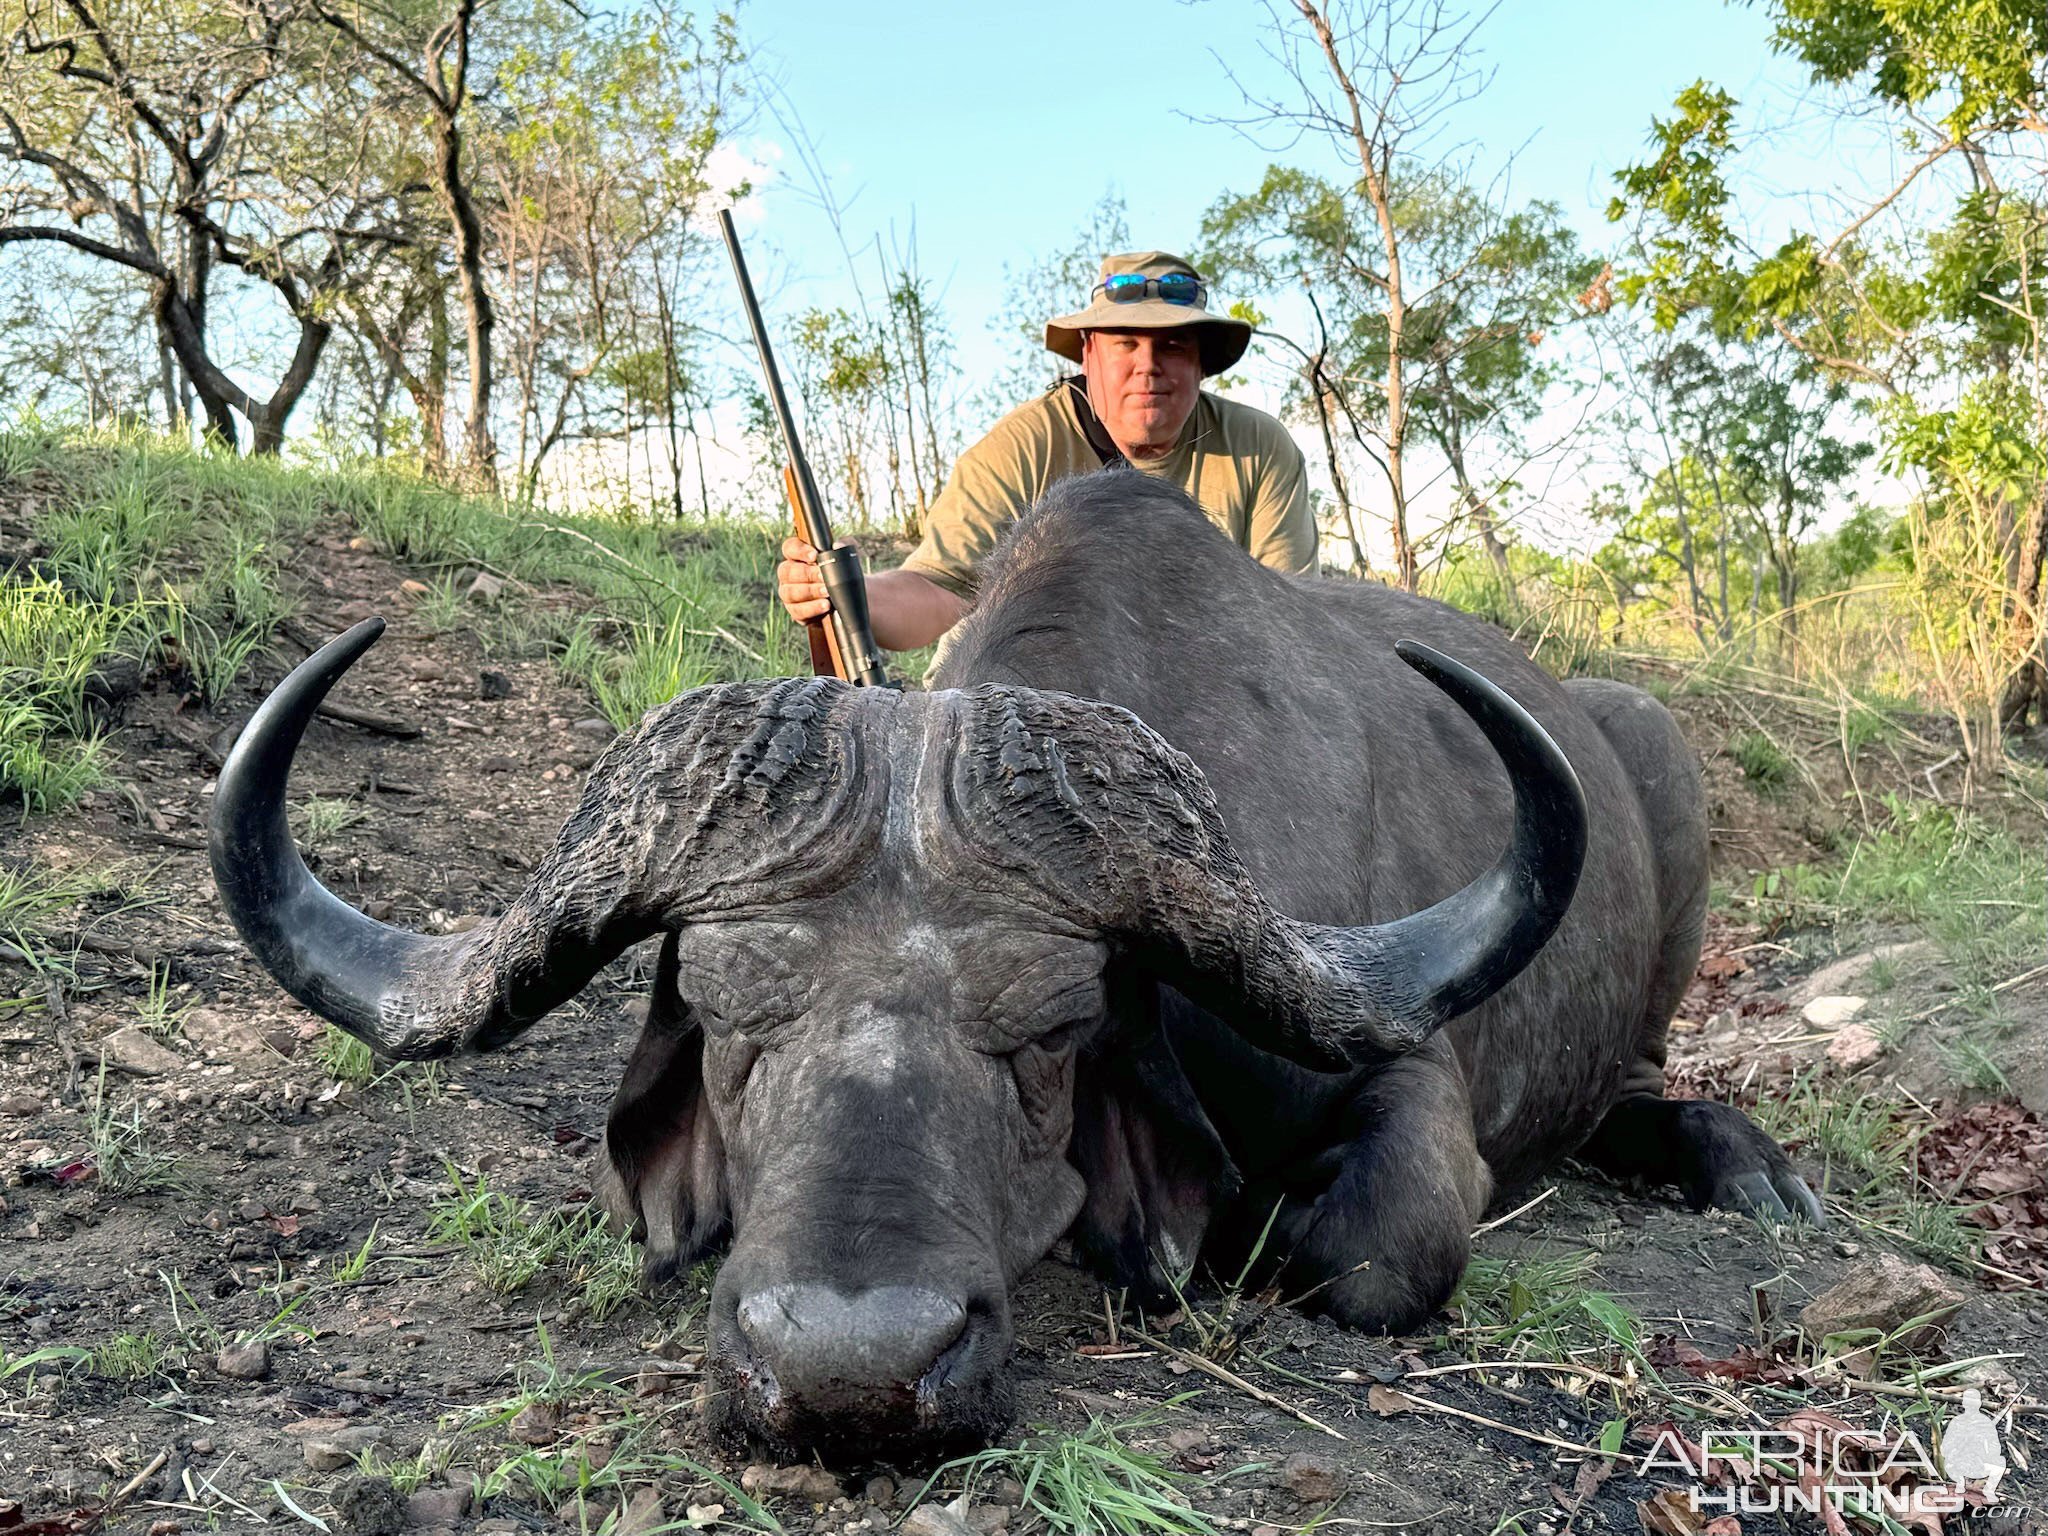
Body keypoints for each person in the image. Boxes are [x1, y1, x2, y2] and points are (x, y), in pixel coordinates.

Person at [776, 250, 1316, 653]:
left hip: (1201, 689)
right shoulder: (1023, 447)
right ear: (1089, 355)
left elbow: (1290, 622)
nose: (1148, 365)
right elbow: (941, 590)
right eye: (1125, 342)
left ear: (1202, 363)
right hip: (1029, 701)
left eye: (1173, 345)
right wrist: (849, 594)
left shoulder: (1260, 450)